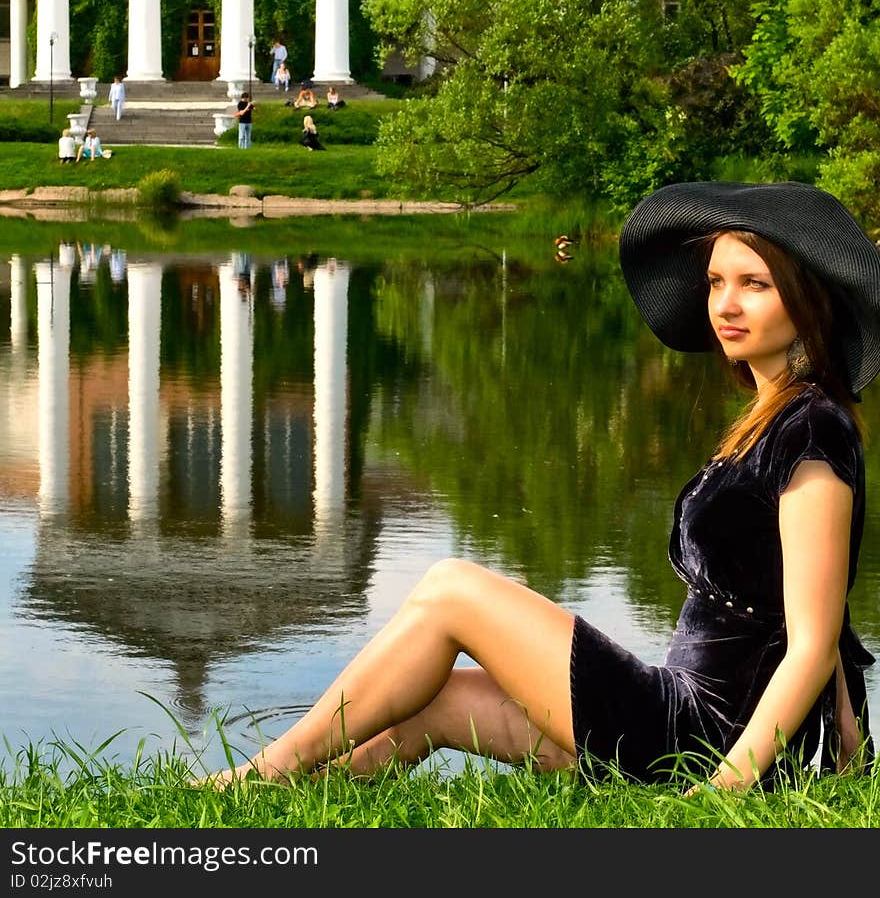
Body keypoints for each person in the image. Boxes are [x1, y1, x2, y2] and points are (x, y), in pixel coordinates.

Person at [204, 179, 878, 791]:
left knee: (451, 589)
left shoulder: (811, 433)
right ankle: (279, 795)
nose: (725, 304)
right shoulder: (775, 419)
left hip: (703, 740)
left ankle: (269, 766)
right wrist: (854, 756)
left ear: (807, 296)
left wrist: (722, 794)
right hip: (679, 719)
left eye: (753, 284)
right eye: (714, 282)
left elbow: (815, 640)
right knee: (438, 701)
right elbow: (829, 616)